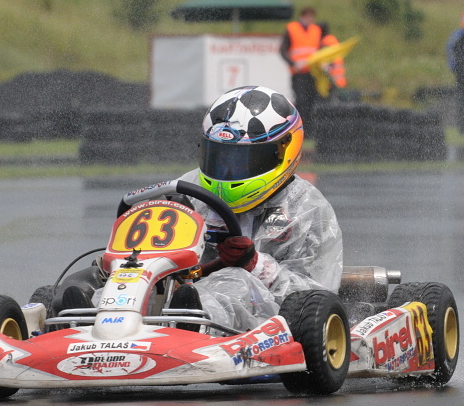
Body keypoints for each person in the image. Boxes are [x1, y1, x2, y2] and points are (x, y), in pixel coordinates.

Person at [60, 86, 344, 332]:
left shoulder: (307, 209)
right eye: (219, 157)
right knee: (125, 278)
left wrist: (254, 264)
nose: (228, 171)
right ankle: (86, 320)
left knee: (235, 281)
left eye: (242, 160)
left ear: (283, 150)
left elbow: (314, 299)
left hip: (265, 314)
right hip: (182, 288)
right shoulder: (187, 189)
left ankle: (192, 323)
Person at [279, 7, 333, 133]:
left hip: (313, 73)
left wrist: (324, 63)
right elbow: (283, 50)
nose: (310, 20)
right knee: (301, 101)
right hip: (298, 74)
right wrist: (293, 63)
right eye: (307, 17)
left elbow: (320, 50)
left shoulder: (316, 30)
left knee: (312, 101)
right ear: (302, 16)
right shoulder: (292, 29)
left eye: (311, 17)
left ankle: (309, 131)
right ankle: (299, 129)